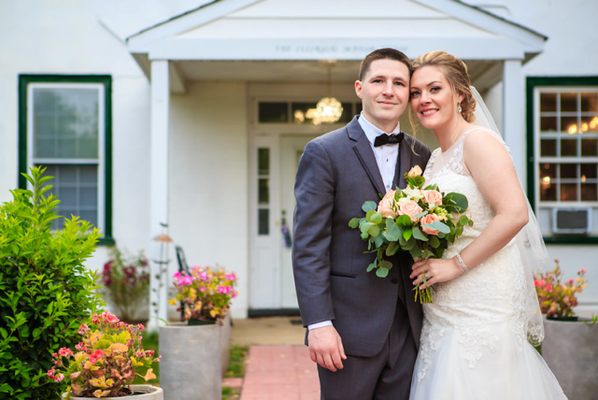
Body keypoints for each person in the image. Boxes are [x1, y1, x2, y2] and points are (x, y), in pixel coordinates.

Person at [407, 50, 567, 399]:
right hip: (443, 304)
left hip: (482, 297)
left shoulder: (478, 141)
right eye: (416, 93)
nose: (424, 100)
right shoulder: (435, 158)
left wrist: (454, 264)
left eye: (434, 89)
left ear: (460, 93)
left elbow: (514, 214)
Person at [292, 48, 431, 400]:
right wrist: (319, 324)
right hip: (346, 329)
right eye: (378, 81)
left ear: (408, 93)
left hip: (409, 328)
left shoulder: (422, 155)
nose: (389, 90)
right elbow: (309, 246)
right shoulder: (324, 152)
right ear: (359, 88)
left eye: (399, 83)